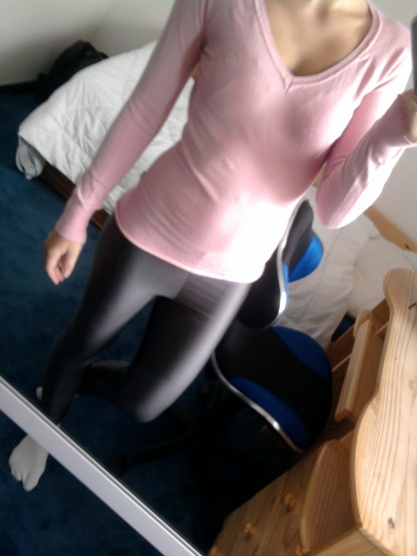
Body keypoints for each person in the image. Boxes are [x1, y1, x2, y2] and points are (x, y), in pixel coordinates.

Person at [9, 0, 417, 491]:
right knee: (80, 341)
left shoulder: (388, 51)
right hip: (149, 232)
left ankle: (64, 387)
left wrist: (394, 134)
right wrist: (78, 212)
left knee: (145, 401)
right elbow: (145, 109)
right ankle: (47, 419)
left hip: (230, 273)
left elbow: (333, 208)